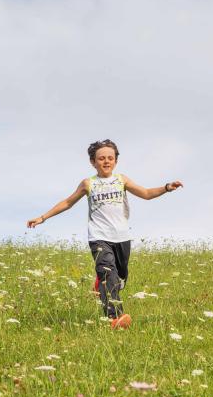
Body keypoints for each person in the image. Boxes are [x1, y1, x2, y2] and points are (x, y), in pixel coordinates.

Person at [27, 140, 183, 329]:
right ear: (93, 162)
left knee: (120, 278)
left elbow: (146, 193)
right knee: (108, 274)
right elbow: (68, 202)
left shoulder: (121, 180)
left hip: (122, 237)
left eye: (110, 158)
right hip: (99, 237)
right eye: (101, 158)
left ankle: (99, 285)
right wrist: (43, 218)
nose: (106, 161)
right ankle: (115, 318)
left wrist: (166, 188)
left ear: (116, 161)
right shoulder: (88, 183)